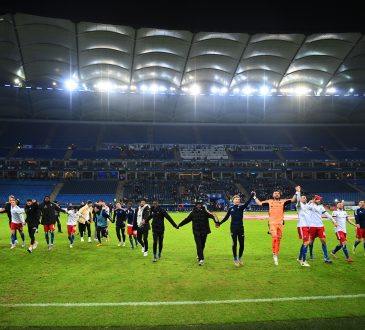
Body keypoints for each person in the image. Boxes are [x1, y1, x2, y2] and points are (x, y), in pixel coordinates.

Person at [253, 189, 297, 266]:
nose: (276, 194)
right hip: (272, 223)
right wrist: (254, 197)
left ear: (279, 195)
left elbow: (293, 199)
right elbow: (259, 203)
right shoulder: (269, 202)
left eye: (278, 193)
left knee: (279, 239)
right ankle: (274, 253)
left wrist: (297, 192)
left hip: (280, 223)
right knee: (274, 237)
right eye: (275, 193)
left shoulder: (284, 201)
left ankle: (276, 252)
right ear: (273, 195)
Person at [177, 201, 219, 266]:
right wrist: (179, 225)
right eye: (197, 205)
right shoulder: (192, 213)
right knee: (198, 245)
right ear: (195, 206)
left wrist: (216, 222)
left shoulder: (205, 212)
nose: (199, 206)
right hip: (196, 231)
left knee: (202, 244)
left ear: (201, 206)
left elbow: (212, 216)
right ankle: (201, 259)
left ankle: (199, 254)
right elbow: (187, 220)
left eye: (200, 205)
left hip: (204, 231)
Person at [218, 192, 254, 266]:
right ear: (233, 200)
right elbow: (226, 217)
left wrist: (252, 196)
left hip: (241, 228)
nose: (238, 200)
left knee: (242, 244)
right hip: (233, 228)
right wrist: (220, 223)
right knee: (234, 244)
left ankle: (240, 258)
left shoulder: (241, 207)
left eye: (238, 199)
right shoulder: (231, 209)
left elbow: (247, 203)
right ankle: (235, 259)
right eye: (236, 199)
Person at [306, 195, 337, 263]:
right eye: (318, 199)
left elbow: (327, 214)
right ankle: (311, 254)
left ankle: (326, 258)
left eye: (320, 199)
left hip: (320, 226)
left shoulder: (321, 207)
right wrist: (310, 202)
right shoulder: (311, 205)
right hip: (312, 226)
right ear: (314, 199)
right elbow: (306, 207)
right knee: (311, 242)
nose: (319, 200)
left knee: (323, 241)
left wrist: (334, 221)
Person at [295, 186, 311, 267]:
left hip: (307, 226)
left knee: (305, 243)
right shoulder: (299, 205)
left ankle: (299, 258)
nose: (304, 198)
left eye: (305, 198)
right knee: (306, 242)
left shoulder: (306, 206)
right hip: (302, 226)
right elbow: (298, 200)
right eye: (303, 197)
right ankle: (303, 261)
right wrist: (298, 192)